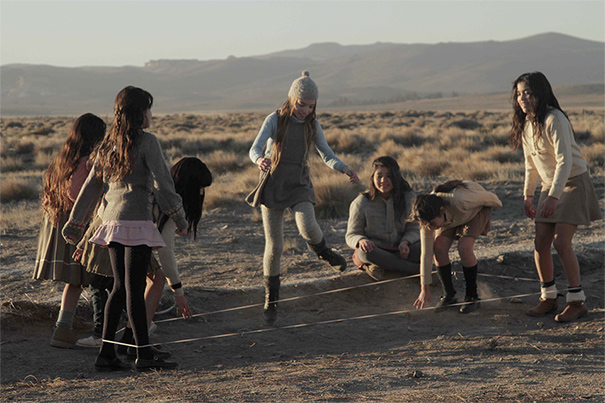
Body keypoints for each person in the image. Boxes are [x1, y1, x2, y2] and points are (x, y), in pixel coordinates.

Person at [63, 86, 188, 371]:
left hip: (111, 224)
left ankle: (106, 354)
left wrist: (75, 225)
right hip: (136, 223)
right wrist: (179, 217)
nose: (151, 114)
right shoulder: (147, 142)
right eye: (148, 109)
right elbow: (163, 184)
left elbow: (92, 186)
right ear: (139, 113)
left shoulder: (108, 145)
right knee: (133, 288)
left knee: (119, 288)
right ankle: (143, 354)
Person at [248, 71, 360, 325]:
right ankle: (271, 299)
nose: (305, 110)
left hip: (299, 183)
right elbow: (254, 148)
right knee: (274, 246)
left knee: (308, 225)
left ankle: (323, 251)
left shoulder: (312, 125)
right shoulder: (274, 120)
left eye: (311, 106)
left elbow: (326, 154)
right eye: (301, 104)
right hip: (273, 183)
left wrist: (344, 168)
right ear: (291, 98)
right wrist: (259, 160)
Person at [75, 156, 211, 350]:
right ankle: (129, 339)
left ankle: (132, 337)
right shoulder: (170, 203)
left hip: (109, 230)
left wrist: (84, 240)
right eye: (200, 187)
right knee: (146, 281)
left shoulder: (158, 189)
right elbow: (166, 253)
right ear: (190, 186)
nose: (202, 193)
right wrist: (178, 293)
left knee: (140, 282)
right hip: (115, 234)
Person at [510, 72, 602, 322]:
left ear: (540, 93)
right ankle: (548, 297)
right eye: (519, 94)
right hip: (550, 186)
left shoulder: (554, 119)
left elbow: (565, 161)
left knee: (561, 242)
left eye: (528, 93)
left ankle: (576, 301)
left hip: (572, 183)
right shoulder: (527, 124)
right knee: (540, 243)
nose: (523, 98)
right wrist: (528, 195)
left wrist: (553, 196)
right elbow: (530, 164)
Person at [33, 113, 106, 348]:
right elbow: (76, 194)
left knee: (76, 280)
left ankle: (65, 326)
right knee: (84, 278)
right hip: (75, 225)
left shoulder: (62, 160)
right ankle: (65, 329)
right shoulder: (86, 162)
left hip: (57, 223)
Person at [410, 180, 502, 313]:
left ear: (442, 210)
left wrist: (488, 216)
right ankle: (449, 295)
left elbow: (492, 198)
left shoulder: (460, 200)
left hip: (476, 211)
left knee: (464, 246)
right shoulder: (427, 217)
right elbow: (426, 253)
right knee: (439, 248)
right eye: (427, 225)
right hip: (451, 218)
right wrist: (424, 289)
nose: (430, 228)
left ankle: (472, 297)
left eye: (432, 224)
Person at [346, 156, 420, 281]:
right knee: (364, 253)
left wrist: (406, 242)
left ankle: (379, 267)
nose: (383, 180)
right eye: (379, 176)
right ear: (372, 178)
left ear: (396, 177)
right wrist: (361, 240)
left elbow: (415, 228)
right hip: (376, 250)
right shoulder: (361, 202)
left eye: (389, 176)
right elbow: (352, 234)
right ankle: (415, 269)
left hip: (402, 250)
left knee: (425, 246)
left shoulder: (409, 198)